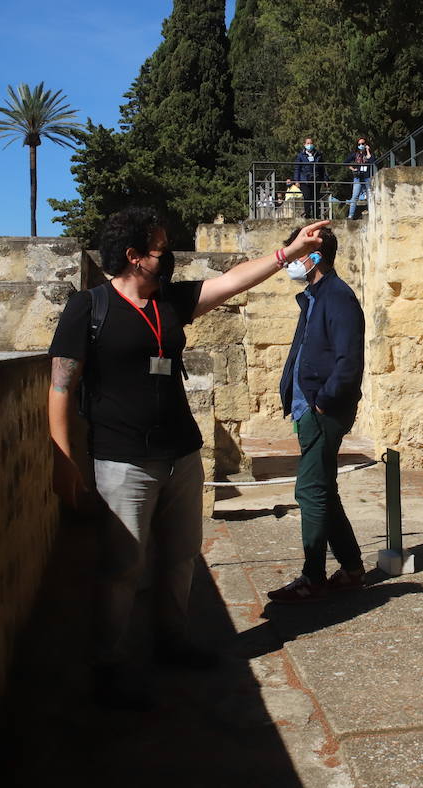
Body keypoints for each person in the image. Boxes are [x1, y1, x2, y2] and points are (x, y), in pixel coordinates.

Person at [48, 207, 330, 708]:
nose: (170, 257)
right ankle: (107, 664)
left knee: (179, 559)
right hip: (121, 460)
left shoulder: (170, 302)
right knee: (122, 567)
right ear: (134, 257)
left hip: (181, 454)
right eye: (160, 249)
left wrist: (293, 250)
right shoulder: (88, 309)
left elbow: (232, 282)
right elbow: (60, 390)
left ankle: (171, 643)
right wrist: (65, 462)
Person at [267, 226, 368, 603]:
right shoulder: (314, 297)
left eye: (296, 252)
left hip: (322, 410)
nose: (290, 259)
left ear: (315, 253)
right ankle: (353, 568)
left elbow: (348, 362)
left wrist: (322, 401)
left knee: (309, 490)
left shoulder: (338, 297)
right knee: (324, 489)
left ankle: (313, 576)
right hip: (308, 407)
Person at [344, 138, 375, 219]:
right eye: (359, 144)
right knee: (355, 196)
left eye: (363, 143)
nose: (361, 145)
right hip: (358, 177)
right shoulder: (355, 154)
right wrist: (353, 169)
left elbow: (372, 161)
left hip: (367, 177)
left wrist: (368, 150)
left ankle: (372, 214)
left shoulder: (369, 154)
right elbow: (345, 162)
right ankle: (350, 215)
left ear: (366, 144)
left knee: (370, 196)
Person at [293, 137, 324, 219]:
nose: (309, 145)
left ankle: (316, 216)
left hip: (316, 180)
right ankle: (307, 215)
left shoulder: (318, 155)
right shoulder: (300, 156)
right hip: (305, 180)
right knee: (307, 197)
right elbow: (297, 168)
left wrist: (325, 179)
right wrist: (297, 180)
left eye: (311, 143)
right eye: (308, 143)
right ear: (304, 144)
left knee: (316, 198)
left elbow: (322, 168)